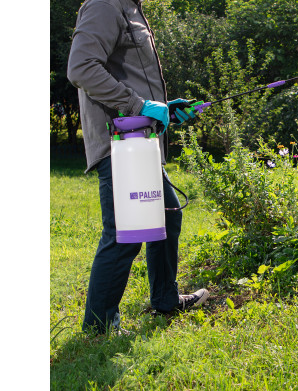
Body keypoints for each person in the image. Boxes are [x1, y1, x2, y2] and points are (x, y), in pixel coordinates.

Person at [67, 0, 208, 335]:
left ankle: (165, 299)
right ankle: (98, 327)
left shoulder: (130, 7)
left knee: (168, 212)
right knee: (123, 235)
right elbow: (82, 67)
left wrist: (163, 109)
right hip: (121, 143)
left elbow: (129, 76)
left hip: (139, 140)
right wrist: (139, 105)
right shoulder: (104, 4)